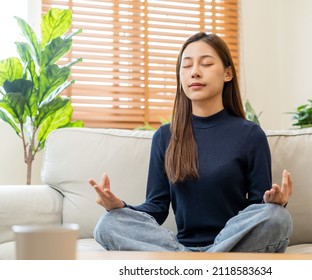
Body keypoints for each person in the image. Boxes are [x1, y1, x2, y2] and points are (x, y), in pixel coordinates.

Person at [89, 32, 293, 253]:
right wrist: (121, 208)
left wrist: (274, 203)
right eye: (186, 66)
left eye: (205, 64)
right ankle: (199, 263)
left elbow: (257, 208)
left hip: (232, 243)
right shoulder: (164, 136)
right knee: (108, 224)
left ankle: (198, 264)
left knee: (277, 217)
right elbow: (156, 208)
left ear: (227, 73)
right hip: (182, 247)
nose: (195, 72)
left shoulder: (250, 134)